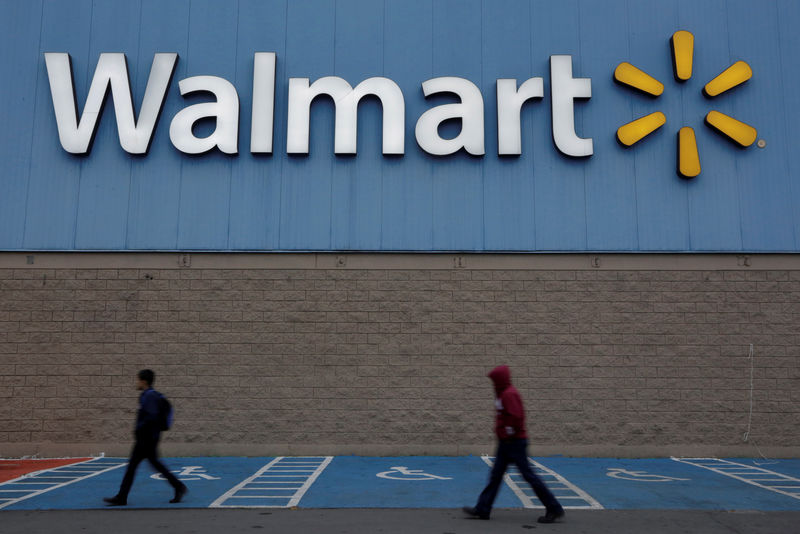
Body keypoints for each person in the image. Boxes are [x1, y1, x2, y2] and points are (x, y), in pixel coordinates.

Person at [463, 365, 564, 523]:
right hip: (507, 442)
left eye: (494, 380)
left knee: (528, 476)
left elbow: (516, 417)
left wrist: (507, 434)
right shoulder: (503, 393)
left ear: (500, 380)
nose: (493, 384)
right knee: (496, 476)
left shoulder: (509, 394)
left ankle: (554, 508)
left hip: (514, 442)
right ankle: (483, 509)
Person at [104, 369, 186, 506]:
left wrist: (141, 430)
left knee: (135, 466)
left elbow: (151, 416)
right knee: (148, 465)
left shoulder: (149, 396)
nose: (136, 382)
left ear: (144, 381)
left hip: (146, 439)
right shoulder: (147, 395)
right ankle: (178, 487)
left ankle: (122, 497)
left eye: (138, 380)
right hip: (147, 438)